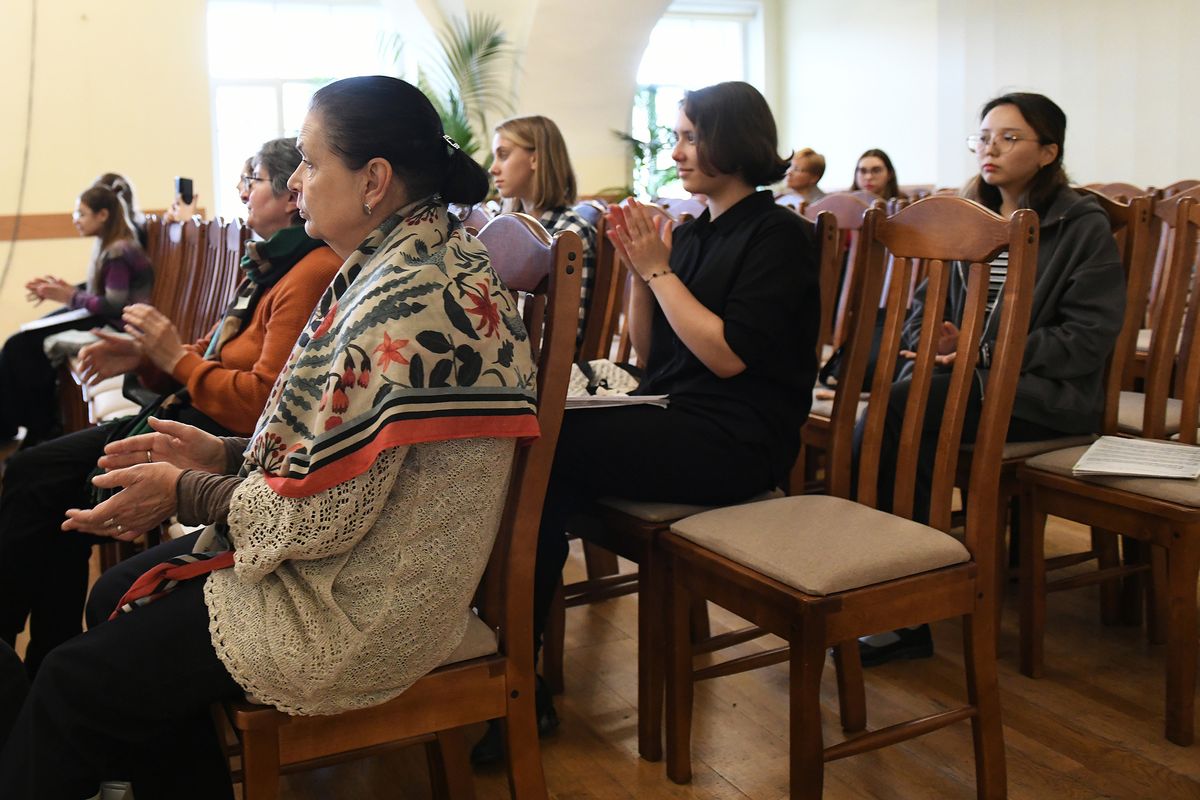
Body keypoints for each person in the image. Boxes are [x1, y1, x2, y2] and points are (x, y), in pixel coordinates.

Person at [0, 75, 539, 800]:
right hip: (357, 559)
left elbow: (321, 513)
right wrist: (224, 454)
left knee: (72, 680)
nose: (295, 181)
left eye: (310, 163)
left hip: (367, 605)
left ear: (374, 180)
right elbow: (334, 452)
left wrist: (189, 490)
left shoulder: (405, 300)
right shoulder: (404, 258)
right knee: (115, 597)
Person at [473, 80, 819, 764]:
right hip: (680, 412)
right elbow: (655, 353)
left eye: (690, 136)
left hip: (739, 439)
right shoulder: (697, 230)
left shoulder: (779, 234)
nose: (677, 151)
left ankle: (514, 679)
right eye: (678, 136)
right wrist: (640, 273)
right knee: (540, 449)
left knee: (544, 445)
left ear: (733, 140)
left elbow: (725, 357)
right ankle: (513, 674)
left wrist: (660, 272)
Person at [0, 137, 342, 677]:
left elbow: (262, 406)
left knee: (36, 478)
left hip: (211, 433)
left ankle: (28, 661)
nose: (242, 192)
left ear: (288, 198)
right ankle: (40, 656)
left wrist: (173, 361)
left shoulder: (308, 272)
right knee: (39, 480)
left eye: (252, 180)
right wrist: (143, 357)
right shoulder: (272, 264)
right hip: (193, 413)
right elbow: (212, 352)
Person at [857, 92, 1125, 666]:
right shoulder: (967, 217)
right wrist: (937, 340)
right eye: (983, 137)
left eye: (1009, 137)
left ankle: (904, 607)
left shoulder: (1081, 224)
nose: (990, 148)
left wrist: (984, 350)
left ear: (1049, 152)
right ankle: (896, 591)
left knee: (893, 414)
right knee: (892, 421)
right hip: (968, 383)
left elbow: (1087, 339)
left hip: (1045, 395)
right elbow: (921, 313)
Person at [0, 182, 153, 447]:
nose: (75, 219)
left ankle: (40, 426)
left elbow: (114, 304)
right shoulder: (110, 243)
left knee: (22, 347)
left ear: (102, 215)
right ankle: (27, 424)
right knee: (23, 339)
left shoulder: (119, 250)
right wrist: (65, 290)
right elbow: (102, 291)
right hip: (103, 318)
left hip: (115, 325)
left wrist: (69, 296)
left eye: (81, 213)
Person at [490, 115, 596, 342]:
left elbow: (565, 335)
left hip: (528, 354)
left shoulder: (571, 232)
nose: (493, 168)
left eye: (503, 155)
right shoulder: (502, 226)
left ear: (535, 159)